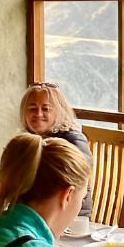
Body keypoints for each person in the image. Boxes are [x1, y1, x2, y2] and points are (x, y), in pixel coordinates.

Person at [20, 82, 92, 217]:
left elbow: (79, 186)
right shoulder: (28, 140)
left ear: (59, 111)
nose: (38, 114)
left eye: (46, 109)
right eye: (32, 108)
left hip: (68, 217)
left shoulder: (73, 140)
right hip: (34, 212)